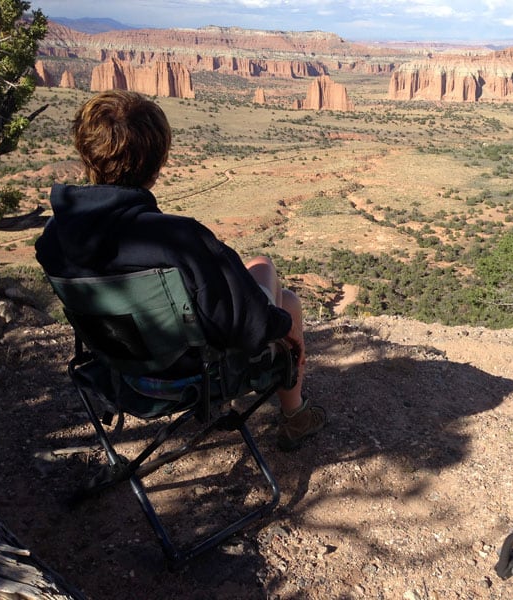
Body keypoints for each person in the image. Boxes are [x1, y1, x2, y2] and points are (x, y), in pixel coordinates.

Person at [35, 90, 325, 451]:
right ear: (157, 165)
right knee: (273, 280)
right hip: (190, 377)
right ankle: (295, 416)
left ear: (86, 155)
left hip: (118, 372)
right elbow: (243, 322)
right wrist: (284, 327)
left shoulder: (53, 238)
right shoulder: (177, 239)